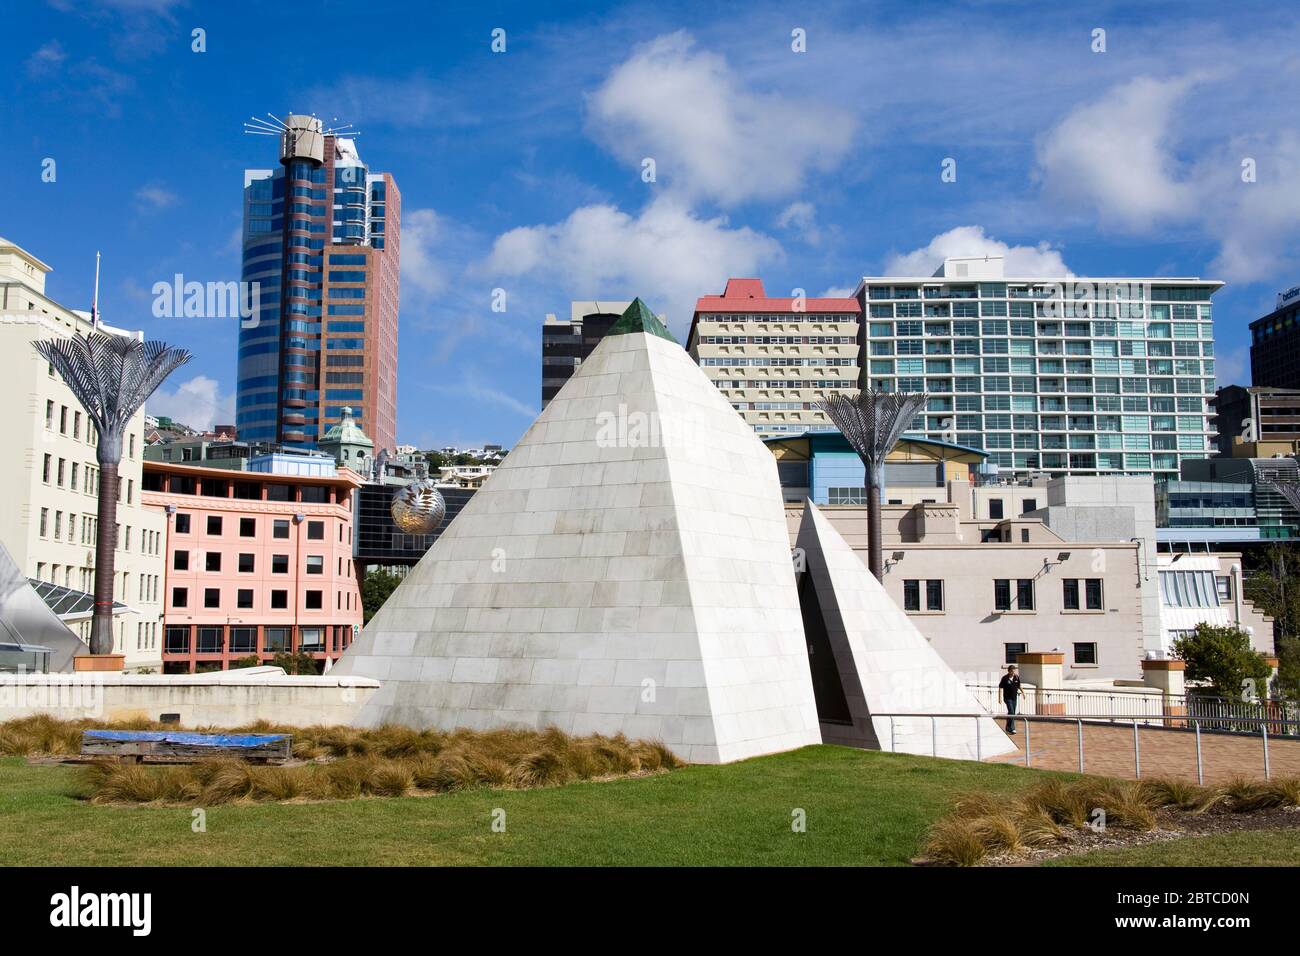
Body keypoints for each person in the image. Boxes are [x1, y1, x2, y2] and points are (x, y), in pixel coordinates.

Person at [998, 664, 1025, 735]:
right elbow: (1000, 688)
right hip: (1007, 698)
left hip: (1014, 698)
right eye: (1011, 671)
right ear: (1009, 671)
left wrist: (1023, 693)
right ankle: (1012, 728)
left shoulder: (1016, 677)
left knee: (1011, 713)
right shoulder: (1004, 678)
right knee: (1012, 712)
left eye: (1014, 671)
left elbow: (1019, 686)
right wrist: (999, 698)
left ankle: (1007, 727)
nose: (1013, 672)